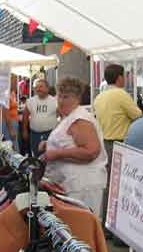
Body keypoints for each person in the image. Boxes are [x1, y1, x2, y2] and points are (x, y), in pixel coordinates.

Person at [40, 77, 107, 219]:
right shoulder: (70, 117)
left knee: (81, 229)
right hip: (72, 184)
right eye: (59, 95)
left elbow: (91, 151)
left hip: (83, 186)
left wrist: (56, 153)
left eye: (66, 97)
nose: (61, 100)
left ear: (77, 97)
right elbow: (69, 141)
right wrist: (49, 144)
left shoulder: (80, 119)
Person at [93, 64, 142, 226]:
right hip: (120, 143)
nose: (127, 79)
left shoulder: (100, 97)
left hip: (104, 142)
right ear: (120, 77)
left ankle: (106, 222)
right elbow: (138, 115)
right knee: (121, 186)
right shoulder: (121, 94)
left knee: (109, 184)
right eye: (125, 76)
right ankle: (116, 226)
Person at [22, 79, 58, 157]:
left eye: (41, 86)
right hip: (35, 135)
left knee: (50, 156)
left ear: (47, 88)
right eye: (36, 87)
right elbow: (25, 116)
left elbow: (61, 115)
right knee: (36, 156)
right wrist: (24, 130)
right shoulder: (30, 101)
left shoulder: (55, 101)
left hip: (50, 134)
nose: (38, 89)